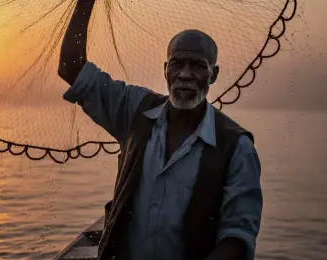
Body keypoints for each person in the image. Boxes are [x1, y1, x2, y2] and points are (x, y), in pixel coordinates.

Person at [58, 1, 263, 260]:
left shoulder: (237, 147)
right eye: (177, 64)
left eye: (198, 66)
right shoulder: (134, 111)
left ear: (214, 74)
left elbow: (238, 238)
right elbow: (71, 67)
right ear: (165, 69)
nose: (185, 75)